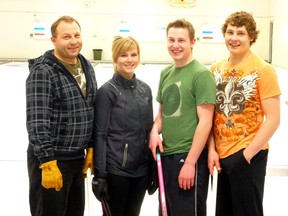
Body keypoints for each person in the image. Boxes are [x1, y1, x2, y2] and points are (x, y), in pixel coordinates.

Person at [207, 11, 281, 216]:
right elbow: (210, 116)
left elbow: (274, 119)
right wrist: (212, 150)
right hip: (222, 155)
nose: (234, 38)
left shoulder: (263, 70)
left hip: (249, 154)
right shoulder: (215, 69)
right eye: (230, 32)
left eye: (240, 33)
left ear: (251, 37)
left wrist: (247, 154)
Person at [26, 16, 97, 216]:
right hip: (52, 161)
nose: (73, 41)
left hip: (76, 159)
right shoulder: (43, 71)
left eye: (76, 35)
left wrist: (91, 145)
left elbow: (91, 108)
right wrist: (47, 161)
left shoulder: (85, 65)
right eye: (66, 36)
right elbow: (37, 121)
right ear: (54, 40)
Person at [149, 19, 216, 216]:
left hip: (188, 157)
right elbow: (162, 114)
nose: (175, 45)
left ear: (193, 42)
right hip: (167, 156)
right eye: (171, 40)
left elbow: (206, 122)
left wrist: (190, 163)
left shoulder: (201, 75)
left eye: (181, 40)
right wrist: (154, 131)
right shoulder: (166, 73)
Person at [92, 36, 154, 216]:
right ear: (115, 58)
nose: (129, 60)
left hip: (140, 170)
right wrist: (101, 174)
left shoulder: (145, 89)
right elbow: (101, 135)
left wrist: (151, 166)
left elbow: (149, 131)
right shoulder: (107, 91)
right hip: (116, 171)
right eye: (123, 55)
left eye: (133, 55)